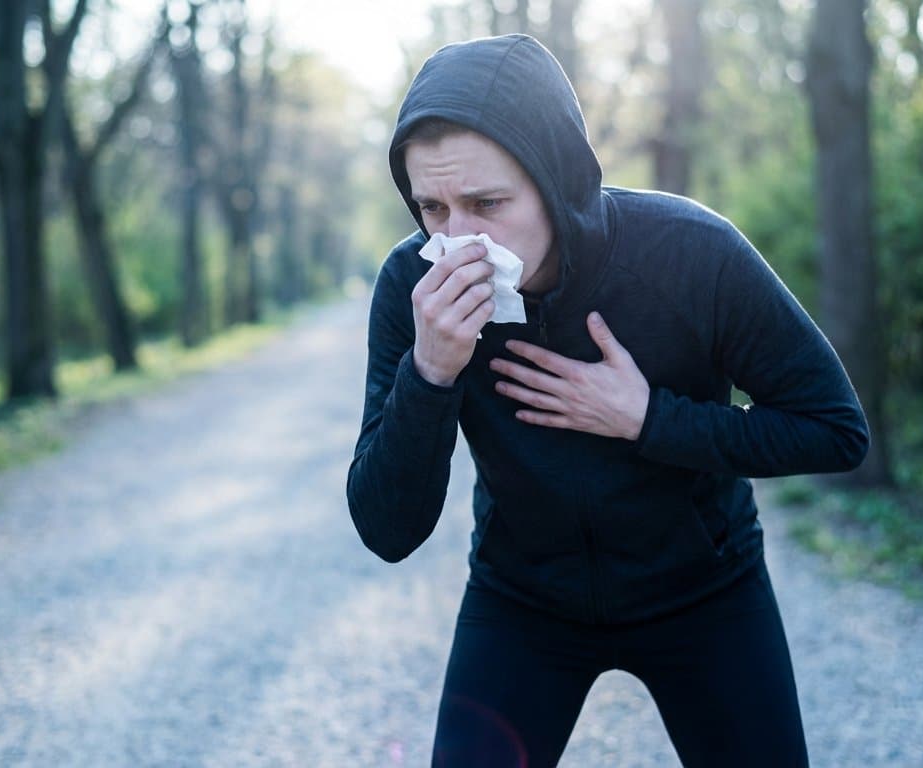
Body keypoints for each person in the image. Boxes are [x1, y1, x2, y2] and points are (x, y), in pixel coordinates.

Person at [347, 33, 868, 767]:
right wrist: (429, 374)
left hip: (703, 594)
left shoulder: (690, 253)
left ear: (554, 178)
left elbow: (835, 430)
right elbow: (386, 528)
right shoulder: (413, 288)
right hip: (523, 602)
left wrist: (650, 420)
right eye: (432, 207)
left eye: (487, 203)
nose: (459, 239)